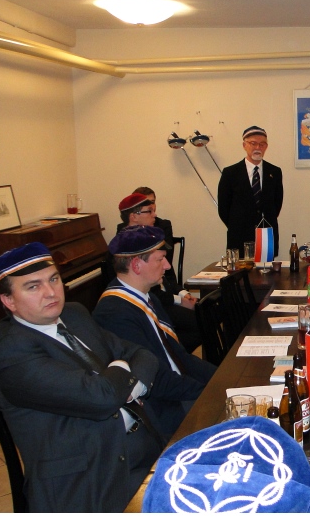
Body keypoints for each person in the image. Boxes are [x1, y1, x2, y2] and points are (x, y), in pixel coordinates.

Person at [0, 242, 163, 512]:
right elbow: (102, 397)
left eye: (54, 279)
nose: (51, 293)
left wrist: (134, 385)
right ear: (8, 301)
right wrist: (120, 366)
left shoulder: (73, 314)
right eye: (33, 287)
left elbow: (142, 354)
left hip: (140, 446)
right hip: (88, 482)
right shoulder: (13, 355)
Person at [93, 226, 217, 440]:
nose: (167, 266)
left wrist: (221, 378)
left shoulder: (147, 297)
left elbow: (180, 357)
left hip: (176, 391)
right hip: (160, 411)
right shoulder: (114, 312)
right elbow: (156, 381)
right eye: (160, 259)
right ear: (136, 265)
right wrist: (210, 392)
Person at [112, 192, 202, 352]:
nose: (155, 215)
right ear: (134, 216)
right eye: (150, 211)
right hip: (157, 302)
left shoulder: (148, 238)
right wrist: (179, 300)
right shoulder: (124, 248)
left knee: (205, 314)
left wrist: (182, 293)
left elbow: (168, 275)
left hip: (160, 299)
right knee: (200, 322)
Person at [217, 125, 283, 256]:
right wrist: (238, 223)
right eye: (253, 143)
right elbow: (223, 208)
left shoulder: (275, 172)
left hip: (266, 235)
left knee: (266, 268)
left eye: (262, 144)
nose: (258, 147)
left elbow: (277, 204)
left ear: (266, 147)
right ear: (244, 145)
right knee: (240, 269)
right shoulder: (230, 173)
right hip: (239, 236)